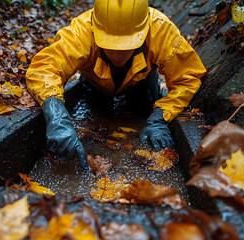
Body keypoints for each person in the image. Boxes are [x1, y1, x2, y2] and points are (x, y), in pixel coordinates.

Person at [26, 0, 207, 170]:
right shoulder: (81, 31)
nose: (118, 55)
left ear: (144, 31)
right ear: (95, 29)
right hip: (95, 85)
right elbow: (44, 69)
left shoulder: (160, 30)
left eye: (127, 45)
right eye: (110, 44)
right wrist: (57, 118)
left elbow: (188, 76)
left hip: (142, 85)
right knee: (97, 113)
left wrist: (161, 117)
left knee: (143, 110)